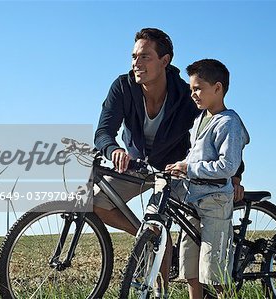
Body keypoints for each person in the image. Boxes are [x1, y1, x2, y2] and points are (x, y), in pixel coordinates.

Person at [93, 28, 245, 237]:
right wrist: (114, 150)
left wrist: (235, 176)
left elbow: (220, 130)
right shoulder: (122, 87)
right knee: (95, 202)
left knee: (157, 223)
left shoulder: (185, 95)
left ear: (164, 61)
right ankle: (148, 239)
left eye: (145, 57)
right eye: (134, 56)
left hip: (173, 169)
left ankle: (157, 243)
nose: (136, 63)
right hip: (136, 165)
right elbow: (103, 132)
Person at [166, 59, 250, 299]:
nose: (193, 94)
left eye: (198, 88)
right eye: (191, 89)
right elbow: (195, 155)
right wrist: (179, 168)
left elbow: (228, 166)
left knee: (215, 270)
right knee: (189, 266)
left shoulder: (229, 123)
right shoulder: (200, 120)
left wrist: (189, 168)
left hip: (214, 201)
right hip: (191, 201)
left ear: (218, 88)